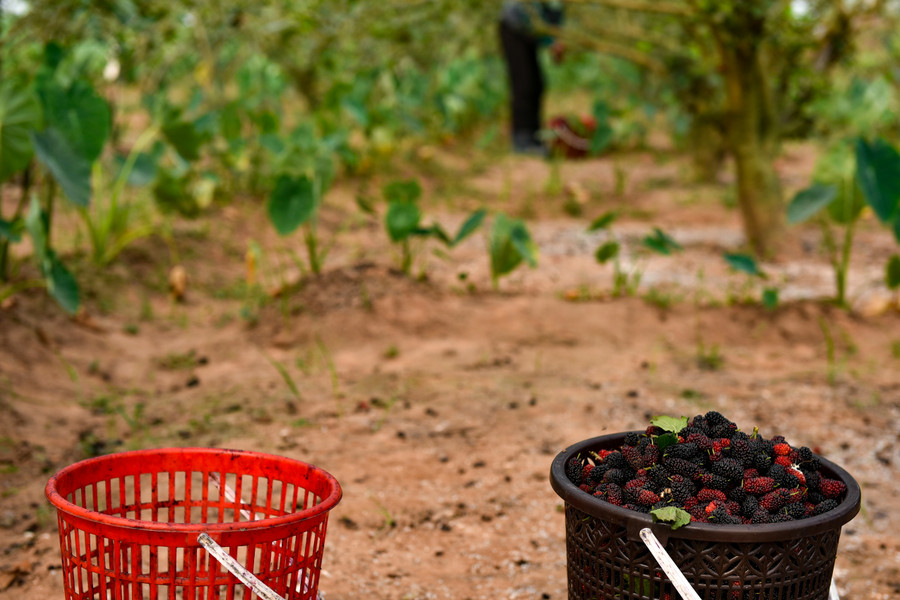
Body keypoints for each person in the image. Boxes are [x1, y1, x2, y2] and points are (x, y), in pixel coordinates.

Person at [498, 1, 565, 156]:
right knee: (524, 83)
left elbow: (554, 13)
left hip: (529, 30)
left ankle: (534, 138)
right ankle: (522, 142)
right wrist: (551, 41)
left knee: (536, 84)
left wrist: (556, 39)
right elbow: (530, 13)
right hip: (514, 26)